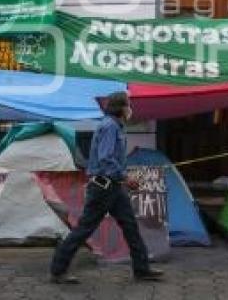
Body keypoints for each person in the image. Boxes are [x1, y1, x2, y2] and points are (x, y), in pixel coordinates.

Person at [50, 91, 164, 284]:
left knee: (130, 226)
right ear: (121, 108)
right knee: (84, 229)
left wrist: (122, 179)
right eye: (129, 105)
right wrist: (125, 177)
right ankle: (58, 270)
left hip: (113, 187)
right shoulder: (110, 127)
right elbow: (105, 159)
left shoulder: (115, 126)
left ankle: (142, 269)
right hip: (103, 188)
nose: (131, 109)